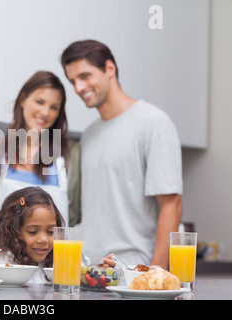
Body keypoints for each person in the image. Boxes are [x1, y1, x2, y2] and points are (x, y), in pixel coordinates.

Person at [60, 39, 183, 269]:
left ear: (109, 69)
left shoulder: (153, 122)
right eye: (72, 81)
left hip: (132, 271)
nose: (78, 88)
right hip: (90, 271)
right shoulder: (89, 134)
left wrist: (153, 273)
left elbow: (171, 204)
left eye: (85, 76)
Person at [0, 71, 81, 239]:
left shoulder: (70, 155)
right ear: (23, 99)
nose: (46, 112)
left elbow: (73, 217)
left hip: (55, 263)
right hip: (5, 262)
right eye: (40, 102)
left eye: (54, 107)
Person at [0, 186, 65, 283]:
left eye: (51, 231)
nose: (43, 239)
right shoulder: (1, 266)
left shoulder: (56, 262)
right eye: (32, 232)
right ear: (12, 232)